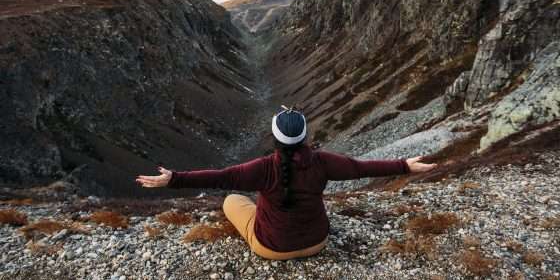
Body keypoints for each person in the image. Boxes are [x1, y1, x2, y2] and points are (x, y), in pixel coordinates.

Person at [136, 105, 437, 260]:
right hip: (318, 242)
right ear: (304, 136)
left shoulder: (262, 168)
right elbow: (361, 168)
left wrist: (173, 179)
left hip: (270, 247)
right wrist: (404, 166)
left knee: (231, 200)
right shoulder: (323, 161)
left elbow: (222, 176)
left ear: (275, 137)